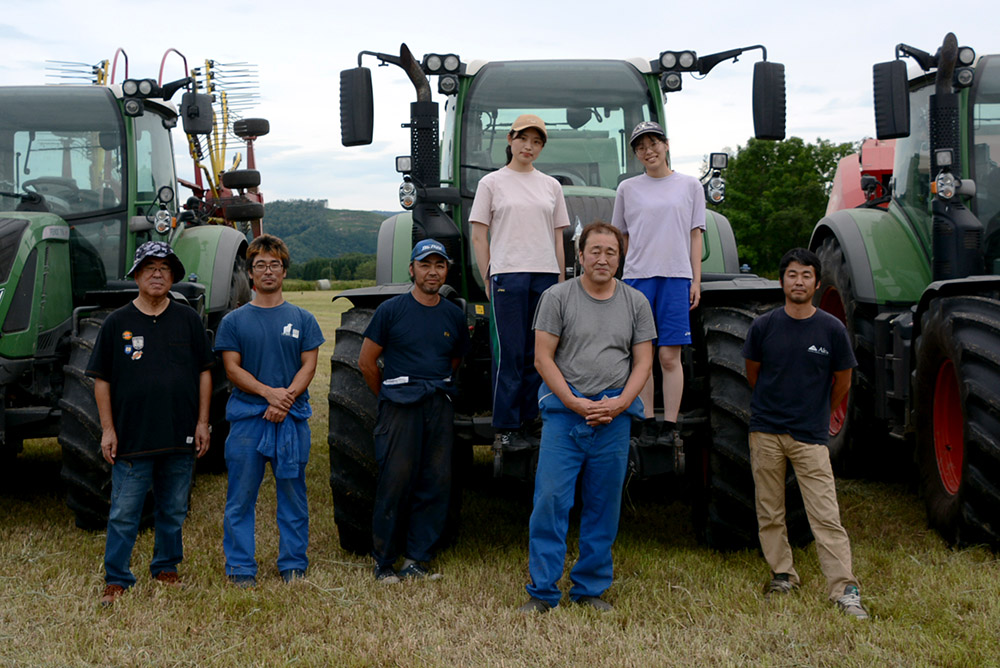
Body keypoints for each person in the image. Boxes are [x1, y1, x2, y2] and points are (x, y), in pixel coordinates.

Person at [519, 222, 655, 613]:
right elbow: (542, 358)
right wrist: (576, 403)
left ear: (620, 258)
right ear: (580, 257)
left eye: (610, 252)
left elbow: (643, 363)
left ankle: (590, 589)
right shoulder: (556, 297)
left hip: (614, 419)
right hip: (565, 417)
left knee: (603, 506)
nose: (602, 258)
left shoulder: (636, 303)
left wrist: (618, 404)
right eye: (594, 251)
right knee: (550, 502)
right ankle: (543, 592)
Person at [742, 247, 869, 620]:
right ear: (782, 281)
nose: (799, 281)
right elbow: (754, 374)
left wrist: (818, 414)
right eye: (792, 275)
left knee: (826, 514)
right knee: (769, 510)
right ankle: (783, 575)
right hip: (765, 431)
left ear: (816, 282)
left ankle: (844, 590)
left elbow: (843, 382)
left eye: (806, 275)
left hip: (810, 436)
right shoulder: (763, 326)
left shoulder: (831, 329)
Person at [87, 241, 213, 606]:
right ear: (137, 275)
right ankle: (117, 577)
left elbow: (205, 373)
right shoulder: (117, 323)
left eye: (164, 268)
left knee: (173, 509)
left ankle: (166, 567)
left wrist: (203, 422)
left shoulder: (188, 320)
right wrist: (108, 429)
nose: (157, 274)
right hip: (131, 435)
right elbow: (101, 380)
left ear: (173, 276)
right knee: (124, 512)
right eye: (149, 268)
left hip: (180, 433)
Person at [359, 239, 471, 583]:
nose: (432, 271)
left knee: (435, 482)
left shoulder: (453, 314)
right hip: (400, 405)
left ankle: (417, 559)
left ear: (446, 270)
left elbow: (454, 360)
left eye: (439, 265)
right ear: (412, 269)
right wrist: (391, 396)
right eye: (425, 264)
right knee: (396, 481)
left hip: (437, 403)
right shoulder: (390, 311)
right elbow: (366, 362)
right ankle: (384, 562)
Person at [215, 234, 324, 587]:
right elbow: (232, 368)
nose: (267, 271)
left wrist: (286, 399)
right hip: (248, 421)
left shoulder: (303, 319)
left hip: (291, 421)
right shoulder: (234, 322)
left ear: (284, 272)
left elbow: (309, 365)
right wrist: (267, 394)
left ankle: (293, 564)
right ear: (249, 273)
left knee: (293, 496)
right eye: (259, 265)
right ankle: (241, 569)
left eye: (274, 264)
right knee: (240, 499)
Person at [469, 114, 570, 452]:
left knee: (538, 354)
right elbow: (478, 236)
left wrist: (560, 280)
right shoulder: (492, 183)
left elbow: (558, 239)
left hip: (545, 276)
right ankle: (507, 427)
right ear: (510, 140)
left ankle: (531, 421)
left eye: (537, 141)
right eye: (523, 139)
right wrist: (488, 275)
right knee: (509, 353)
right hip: (507, 275)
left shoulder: (551, 185)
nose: (529, 146)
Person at [611, 121, 705, 449]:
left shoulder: (690, 186)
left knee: (669, 355)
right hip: (638, 277)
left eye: (653, 143)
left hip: (676, 277)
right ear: (636, 153)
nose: (648, 151)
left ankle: (671, 423)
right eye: (640, 146)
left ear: (666, 145)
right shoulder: (628, 189)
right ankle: (647, 418)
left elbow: (695, 235)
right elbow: (621, 236)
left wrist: (696, 280)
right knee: (643, 355)